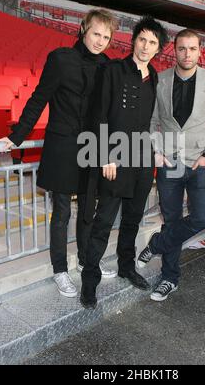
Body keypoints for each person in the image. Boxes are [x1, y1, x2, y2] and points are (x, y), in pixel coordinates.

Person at [0, 9, 118, 298]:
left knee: (88, 211)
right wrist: (18, 136)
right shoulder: (61, 58)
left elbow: (109, 114)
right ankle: (60, 269)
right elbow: (39, 98)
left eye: (106, 36)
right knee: (62, 212)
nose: (100, 41)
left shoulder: (107, 66)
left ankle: (87, 260)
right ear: (83, 30)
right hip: (62, 146)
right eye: (95, 34)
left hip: (91, 148)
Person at [80, 16, 169, 309]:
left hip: (142, 160)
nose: (145, 46)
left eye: (152, 43)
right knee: (103, 222)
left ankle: (126, 267)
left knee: (132, 219)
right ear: (133, 40)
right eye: (142, 39)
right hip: (115, 159)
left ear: (158, 49)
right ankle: (89, 282)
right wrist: (105, 154)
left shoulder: (154, 77)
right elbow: (99, 114)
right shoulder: (113, 70)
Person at [137, 29, 205, 301]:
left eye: (192, 48)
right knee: (172, 220)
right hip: (170, 162)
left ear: (200, 51)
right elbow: (152, 122)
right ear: (174, 51)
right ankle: (169, 278)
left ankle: (157, 244)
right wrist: (156, 151)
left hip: (199, 162)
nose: (187, 54)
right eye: (181, 49)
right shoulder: (161, 80)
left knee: (202, 217)